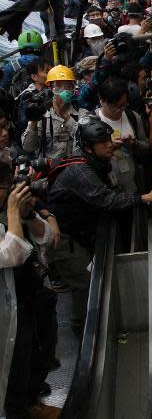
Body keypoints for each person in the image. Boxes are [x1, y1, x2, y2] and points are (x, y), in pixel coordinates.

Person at [46, 118, 152, 333]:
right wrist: (144, 198)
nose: (110, 144)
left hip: (81, 233)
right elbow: (106, 199)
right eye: (104, 142)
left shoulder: (92, 159)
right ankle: (83, 331)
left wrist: (112, 146)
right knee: (84, 284)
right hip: (65, 239)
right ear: (90, 148)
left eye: (110, 139)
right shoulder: (81, 172)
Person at [0, 163, 56, 419]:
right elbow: (10, 255)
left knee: (42, 348)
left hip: (33, 290)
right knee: (15, 364)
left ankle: (33, 401)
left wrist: (29, 214)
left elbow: (46, 238)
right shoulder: (7, 211)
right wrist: (13, 211)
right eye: (5, 187)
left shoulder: (10, 209)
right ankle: (18, 410)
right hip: (8, 305)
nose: (11, 191)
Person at [21, 65, 78, 160]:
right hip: (50, 170)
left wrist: (66, 117)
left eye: (68, 86)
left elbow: (85, 139)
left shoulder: (80, 112)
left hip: (75, 167)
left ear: (73, 88)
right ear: (51, 89)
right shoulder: (42, 115)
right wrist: (34, 122)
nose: (64, 90)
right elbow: (28, 147)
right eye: (59, 86)